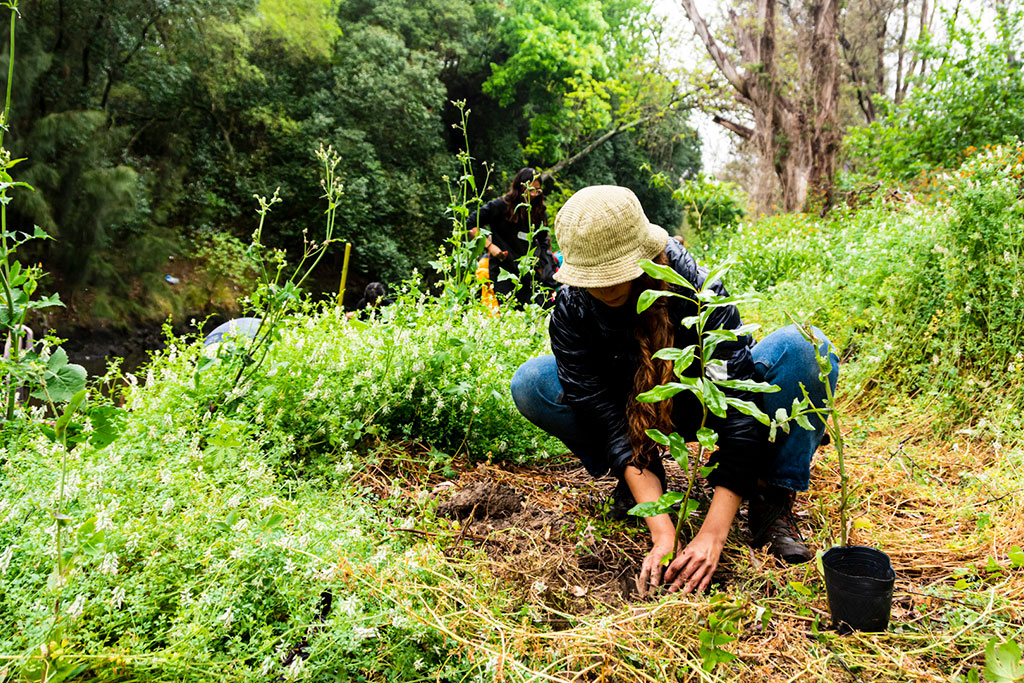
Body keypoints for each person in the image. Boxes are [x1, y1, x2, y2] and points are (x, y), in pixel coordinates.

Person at [510, 186, 838, 597]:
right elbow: (607, 419)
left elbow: (739, 409)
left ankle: (770, 493)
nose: (607, 285)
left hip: (706, 403)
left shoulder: (697, 290)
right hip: (635, 409)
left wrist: (712, 535)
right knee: (532, 382)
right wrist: (662, 530)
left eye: (617, 271)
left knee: (806, 347)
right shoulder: (572, 311)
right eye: (596, 277)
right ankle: (645, 484)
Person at [470, 167, 557, 308]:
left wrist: (541, 265)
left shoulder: (539, 210)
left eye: (537, 190)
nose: (533, 194)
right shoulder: (500, 206)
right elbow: (470, 224)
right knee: (507, 313)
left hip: (529, 273)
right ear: (520, 187)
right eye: (530, 190)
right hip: (502, 270)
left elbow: (544, 241)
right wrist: (490, 246)